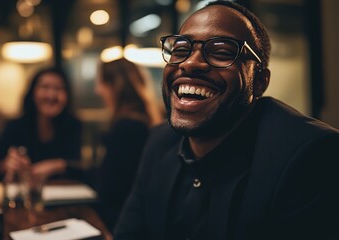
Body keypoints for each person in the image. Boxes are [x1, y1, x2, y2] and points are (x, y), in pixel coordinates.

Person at [114, 1, 339, 240]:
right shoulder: (158, 142)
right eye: (181, 50)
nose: (190, 63)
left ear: (260, 81)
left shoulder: (310, 156)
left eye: (221, 52)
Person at [94, 58, 164, 231]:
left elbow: (110, 187)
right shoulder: (142, 119)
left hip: (119, 224)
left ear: (114, 86)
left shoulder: (127, 127)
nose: (98, 90)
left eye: (101, 83)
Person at [0, 67, 83, 183]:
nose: (51, 95)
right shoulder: (14, 127)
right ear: (32, 93)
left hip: (65, 196)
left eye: (58, 88)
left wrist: (56, 166)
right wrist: (9, 165)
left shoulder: (73, 126)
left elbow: (83, 168)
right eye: (45, 87)